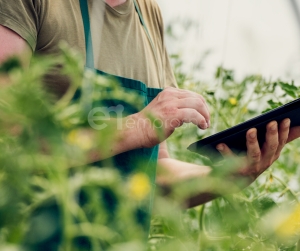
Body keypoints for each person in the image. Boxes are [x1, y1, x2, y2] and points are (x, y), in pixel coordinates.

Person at [1, 0, 300, 219]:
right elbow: (9, 147)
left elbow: (155, 175)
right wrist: (140, 127)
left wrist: (229, 177)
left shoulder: (148, 13)